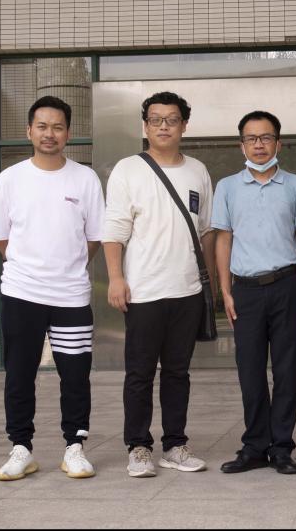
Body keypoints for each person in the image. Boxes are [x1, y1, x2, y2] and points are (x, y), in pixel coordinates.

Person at [0, 96, 104, 481]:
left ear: (68, 133)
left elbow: (94, 238)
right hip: (22, 293)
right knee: (20, 374)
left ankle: (75, 447)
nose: (49, 133)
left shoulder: (85, 179)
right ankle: (21, 448)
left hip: (71, 295)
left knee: (76, 375)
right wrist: (30, 268)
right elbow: (1, 238)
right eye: (42, 126)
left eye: (57, 127)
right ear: (29, 131)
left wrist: (66, 268)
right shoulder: (10, 179)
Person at [103, 91, 216, 477]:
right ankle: (138, 447)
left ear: (185, 125)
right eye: (156, 120)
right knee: (139, 373)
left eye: (171, 119)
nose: (164, 126)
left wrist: (211, 283)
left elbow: (206, 231)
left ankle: (175, 445)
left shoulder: (198, 170)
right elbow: (114, 230)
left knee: (178, 373)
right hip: (143, 290)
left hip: (187, 290)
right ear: (145, 126)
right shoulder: (128, 169)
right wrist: (116, 278)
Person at [212, 111, 296, 476]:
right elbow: (223, 239)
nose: (259, 144)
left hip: (288, 285)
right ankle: (255, 446)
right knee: (250, 373)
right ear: (242, 145)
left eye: (266, 137)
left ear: (278, 143)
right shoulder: (227, 187)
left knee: (286, 372)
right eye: (251, 138)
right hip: (246, 291)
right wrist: (225, 291)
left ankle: (282, 448)